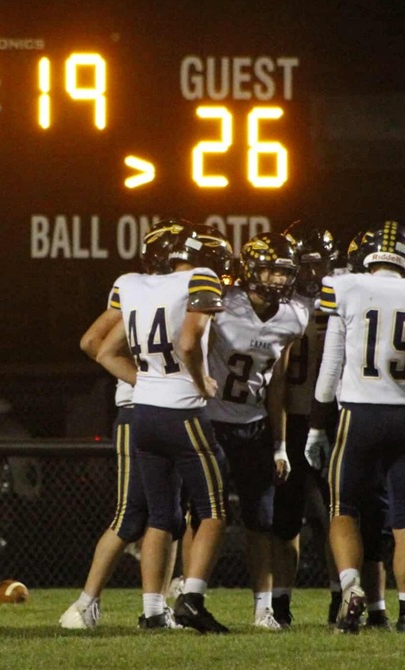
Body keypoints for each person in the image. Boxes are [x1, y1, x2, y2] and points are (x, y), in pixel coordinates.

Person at [313, 221, 405, 633]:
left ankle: (352, 586)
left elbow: (329, 370)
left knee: (344, 509)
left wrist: (316, 428)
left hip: (358, 414)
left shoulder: (345, 287)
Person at [95, 221, 232, 633]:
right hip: (182, 412)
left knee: (160, 516)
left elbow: (104, 351)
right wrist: (198, 380)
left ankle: (154, 610)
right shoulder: (201, 278)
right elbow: (189, 343)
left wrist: (149, 380)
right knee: (214, 510)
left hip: (143, 413)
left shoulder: (134, 283)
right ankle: (191, 598)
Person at [59, 222, 181, 629]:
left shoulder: (175, 291)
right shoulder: (139, 290)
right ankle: (84, 604)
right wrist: (146, 380)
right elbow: (93, 343)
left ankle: (157, 606)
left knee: (169, 517)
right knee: (131, 516)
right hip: (138, 410)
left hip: (167, 410)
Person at [205, 230, 309, 629]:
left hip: (253, 426)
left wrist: (280, 444)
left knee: (260, 522)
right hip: (212, 422)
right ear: (249, 269)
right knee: (202, 517)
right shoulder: (220, 304)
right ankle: (188, 593)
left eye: (284, 273)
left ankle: (263, 607)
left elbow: (279, 384)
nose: (278, 280)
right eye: (270, 270)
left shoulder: (293, 317)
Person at [272, 223, 344, 627]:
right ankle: (282, 602)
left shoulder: (285, 304)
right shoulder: (327, 301)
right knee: (291, 521)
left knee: (329, 515)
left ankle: (335, 596)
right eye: (307, 265)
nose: (313, 273)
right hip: (308, 417)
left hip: (317, 417)